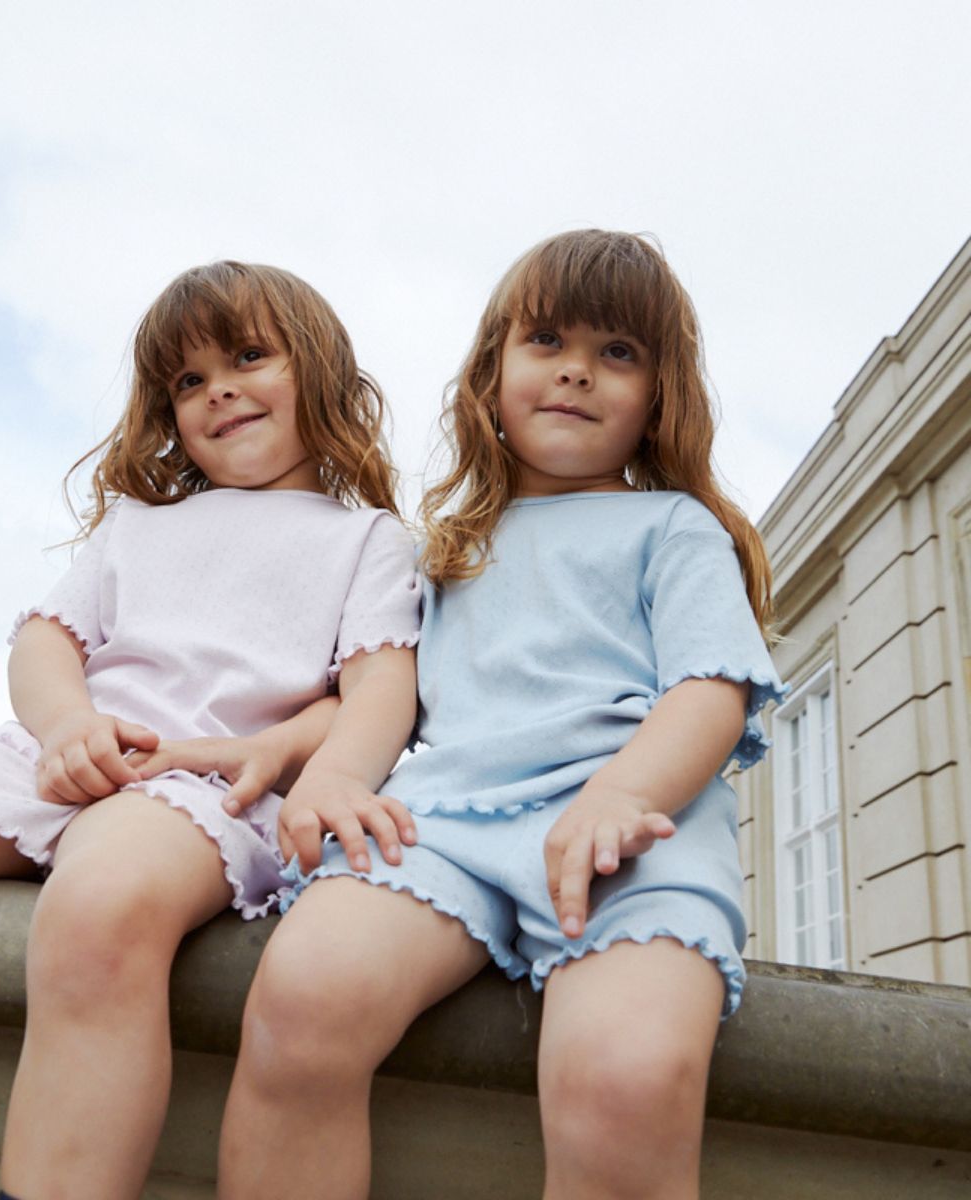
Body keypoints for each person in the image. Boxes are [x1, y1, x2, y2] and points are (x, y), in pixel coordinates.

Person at [0, 261, 422, 1200]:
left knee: (98, 913)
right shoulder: (134, 527)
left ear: (321, 371)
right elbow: (45, 642)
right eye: (188, 380)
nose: (219, 391)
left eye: (247, 357)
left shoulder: (366, 540)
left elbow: (380, 688)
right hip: (62, 751)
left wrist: (331, 777)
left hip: (200, 786)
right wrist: (65, 725)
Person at [217, 230, 786, 1200]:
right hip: (446, 824)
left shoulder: (671, 528)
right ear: (489, 376)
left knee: (626, 1078)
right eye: (548, 341)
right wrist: (313, 759)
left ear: (659, 399)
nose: (576, 371)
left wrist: (621, 795)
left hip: (637, 829)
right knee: (300, 1004)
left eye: (618, 353)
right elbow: (382, 699)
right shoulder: (444, 553)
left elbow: (711, 690)